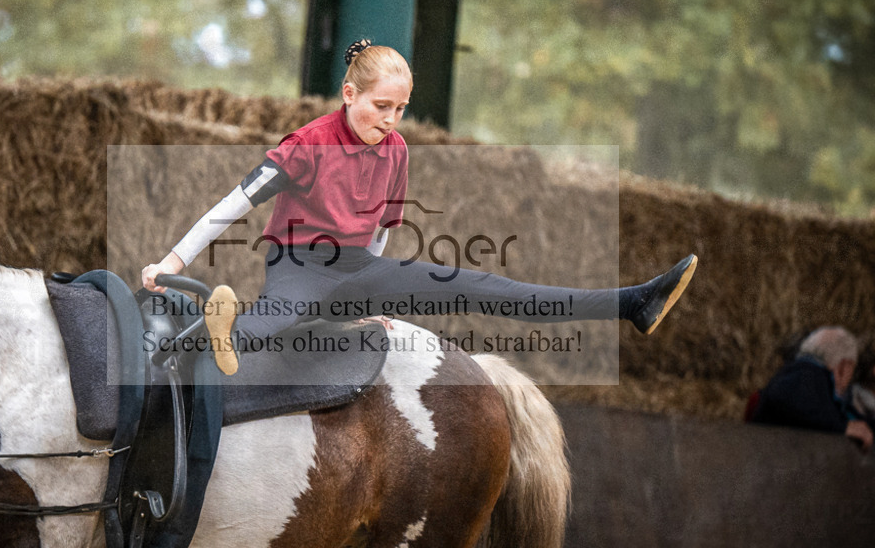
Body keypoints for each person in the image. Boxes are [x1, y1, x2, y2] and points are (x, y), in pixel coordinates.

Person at [142, 40, 698, 375]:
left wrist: (367, 293)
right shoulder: (307, 144)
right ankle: (206, 330)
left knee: (484, 286)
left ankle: (630, 303)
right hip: (298, 265)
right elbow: (234, 204)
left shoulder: (397, 150)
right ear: (349, 94)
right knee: (271, 324)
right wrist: (173, 262)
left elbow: (383, 228)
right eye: (381, 105)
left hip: (357, 269)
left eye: (401, 108)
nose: (390, 118)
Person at [751, 326, 873, 452]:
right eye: (852, 369)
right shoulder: (805, 374)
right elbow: (785, 397)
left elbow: (846, 416)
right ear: (844, 366)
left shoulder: (809, 378)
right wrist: (843, 427)